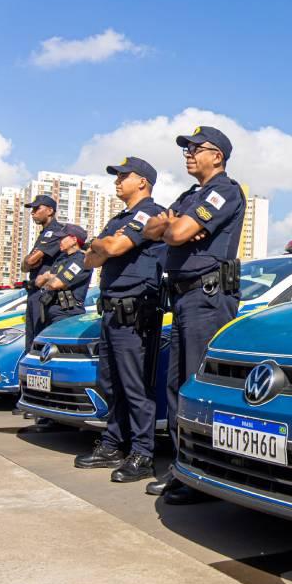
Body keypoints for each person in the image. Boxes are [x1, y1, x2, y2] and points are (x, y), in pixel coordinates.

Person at [143, 125, 246, 504]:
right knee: (176, 387)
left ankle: (204, 473)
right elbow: (154, 229)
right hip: (185, 298)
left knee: (196, 386)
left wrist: (176, 226)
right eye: (185, 148)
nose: (187, 153)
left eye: (195, 148)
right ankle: (184, 467)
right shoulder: (191, 194)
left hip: (207, 296)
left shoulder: (224, 191)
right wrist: (172, 226)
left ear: (216, 155)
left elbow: (177, 232)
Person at [74, 157, 166, 483]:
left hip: (135, 311)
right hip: (112, 311)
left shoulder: (150, 213)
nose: (117, 180)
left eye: (123, 175)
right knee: (109, 382)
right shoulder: (120, 218)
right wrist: (102, 246)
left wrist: (103, 246)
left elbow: (111, 249)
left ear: (142, 181)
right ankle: (114, 443)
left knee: (135, 386)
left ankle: (142, 453)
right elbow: (90, 259)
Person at [20, 194, 68, 351]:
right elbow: (25, 266)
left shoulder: (55, 232)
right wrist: (29, 261)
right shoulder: (43, 234)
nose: (32, 212)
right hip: (34, 290)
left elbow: (31, 261)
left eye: (36, 208)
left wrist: (30, 261)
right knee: (31, 340)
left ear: (50, 210)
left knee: (39, 343)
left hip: (44, 293)